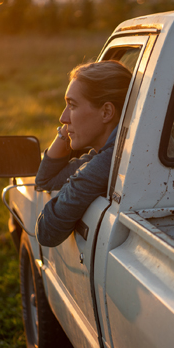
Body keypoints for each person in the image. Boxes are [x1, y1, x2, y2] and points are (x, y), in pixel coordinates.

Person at [34, 61, 132, 247]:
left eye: (72, 105)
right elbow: (46, 181)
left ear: (106, 112)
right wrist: (67, 131)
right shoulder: (116, 151)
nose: (63, 119)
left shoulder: (106, 162)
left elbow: (47, 232)